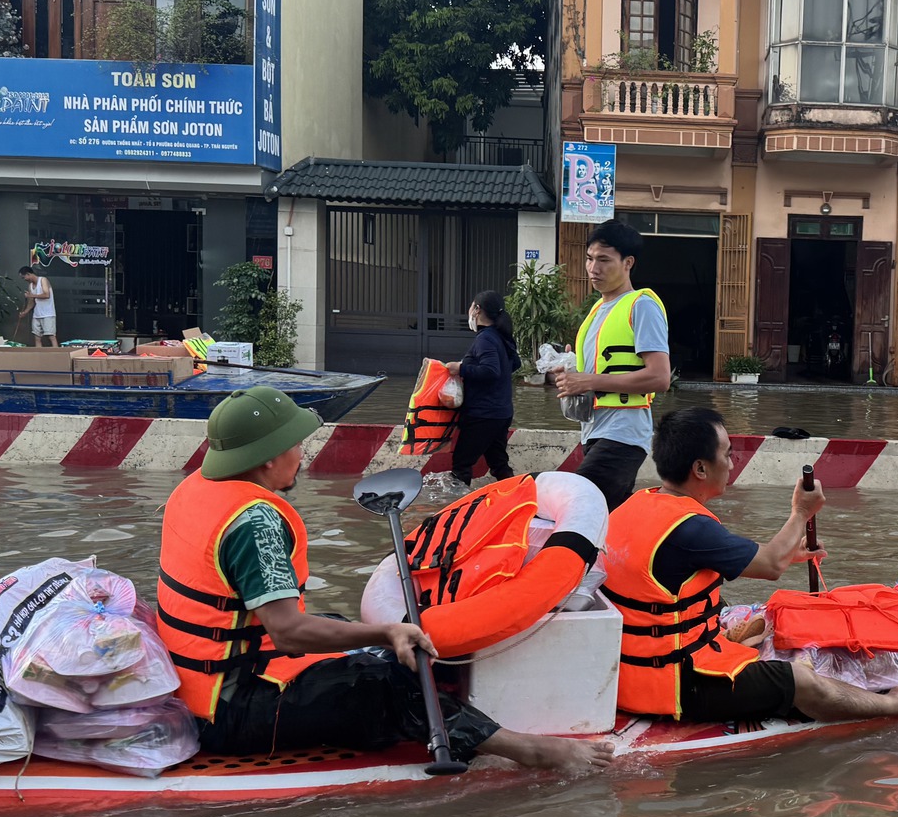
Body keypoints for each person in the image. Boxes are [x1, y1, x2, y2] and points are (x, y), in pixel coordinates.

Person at [154, 384, 610, 772]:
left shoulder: (196, 489)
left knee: (344, 629)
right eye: (294, 443)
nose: (301, 451)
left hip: (202, 685)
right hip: (232, 710)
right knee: (383, 683)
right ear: (268, 458)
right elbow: (289, 632)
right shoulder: (255, 522)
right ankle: (528, 749)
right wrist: (387, 630)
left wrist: (371, 637)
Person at [601, 407, 898, 722]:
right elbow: (771, 564)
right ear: (700, 468)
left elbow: (703, 564)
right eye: (727, 454)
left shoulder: (639, 504)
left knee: (755, 621)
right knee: (801, 681)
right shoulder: (690, 528)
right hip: (676, 686)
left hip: (629, 674)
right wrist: (801, 513)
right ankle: (896, 705)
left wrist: (791, 550)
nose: (732, 463)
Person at [552, 220, 671, 510]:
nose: (594, 268)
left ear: (628, 263)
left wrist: (589, 381)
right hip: (593, 430)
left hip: (624, 433)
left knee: (577, 507)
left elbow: (659, 377)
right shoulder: (596, 311)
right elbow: (595, 372)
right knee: (606, 516)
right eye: (590, 259)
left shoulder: (642, 305)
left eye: (604, 260)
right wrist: (569, 374)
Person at [451, 289, 518, 489]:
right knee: (499, 465)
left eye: (472, 305)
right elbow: (515, 364)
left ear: (477, 310)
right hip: (501, 413)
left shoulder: (486, 338)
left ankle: (456, 512)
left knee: (461, 465)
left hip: (483, 415)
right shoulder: (501, 337)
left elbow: (491, 371)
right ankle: (518, 497)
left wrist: (460, 368)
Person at [18, 266, 58, 348]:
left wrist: (31, 295)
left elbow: (47, 294)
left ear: (28, 274)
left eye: (24, 277)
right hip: (37, 314)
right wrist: (25, 312)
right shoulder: (30, 286)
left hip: (48, 314)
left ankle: (57, 355)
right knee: (37, 337)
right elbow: (31, 302)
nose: (24, 279)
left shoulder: (43, 280)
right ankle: (38, 356)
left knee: (51, 336)